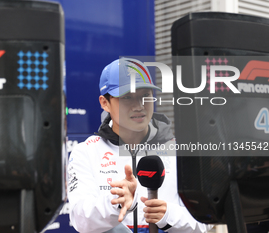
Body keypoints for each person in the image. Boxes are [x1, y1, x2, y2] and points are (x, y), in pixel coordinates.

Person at [67, 58, 212, 233]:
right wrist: (116, 202)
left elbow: (206, 221)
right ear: (104, 103)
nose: (139, 106)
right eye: (127, 97)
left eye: (145, 96)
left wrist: (169, 216)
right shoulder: (86, 152)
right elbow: (81, 220)